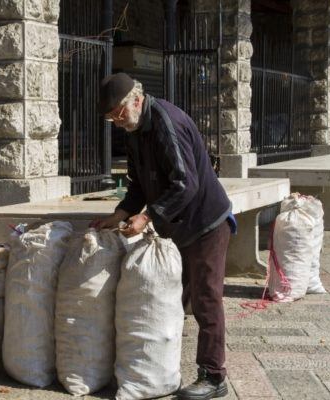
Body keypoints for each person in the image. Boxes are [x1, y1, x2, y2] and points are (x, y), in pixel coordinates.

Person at [90, 72, 235, 400]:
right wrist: (120, 214)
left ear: (137, 100)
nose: (116, 122)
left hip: (206, 224)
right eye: (110, 118)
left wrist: (148, 217)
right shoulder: (134, 129)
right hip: (178, 228)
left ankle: (214, 376)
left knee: (205, 300)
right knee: (171, 299)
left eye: (119, 114)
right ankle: (161, 367)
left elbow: (185, 183)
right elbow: (139, 183)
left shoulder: (166, 123)